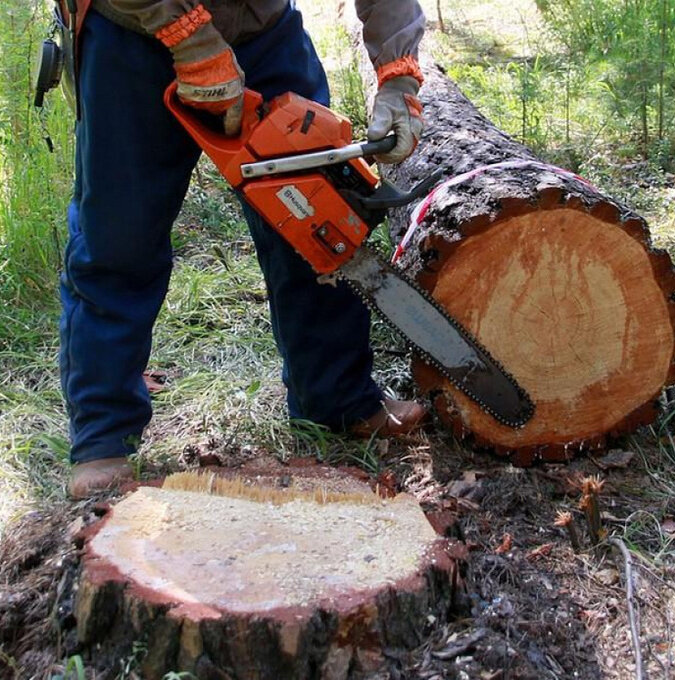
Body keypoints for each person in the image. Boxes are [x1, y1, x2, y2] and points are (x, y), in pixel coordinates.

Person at [61, 0, 428, 499]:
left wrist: (398, 74)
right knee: (119, 239)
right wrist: (191, 40)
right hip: (132, 33)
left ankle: (337, 400)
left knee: (321, 223)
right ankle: (103, 435)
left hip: (263, 31)